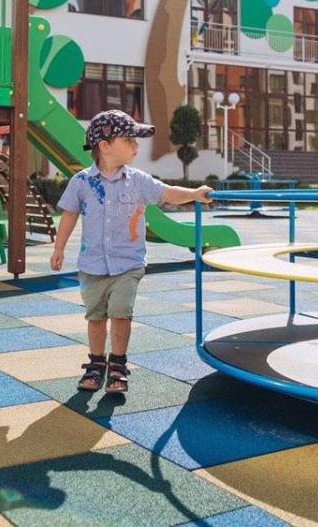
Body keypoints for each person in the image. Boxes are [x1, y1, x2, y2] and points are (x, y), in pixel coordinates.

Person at [50, 110, 213, 394]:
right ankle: (96, 364)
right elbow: (69, 216)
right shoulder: (82, 182)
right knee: (96, 318)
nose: (136, 145)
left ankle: (118, 364)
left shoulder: (138, 181)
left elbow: (167, 192)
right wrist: (59, 248)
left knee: (121, 314)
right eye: (129, 139)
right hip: (92, 266)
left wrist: (193, 194)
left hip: (128, 264)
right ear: (105, 145)